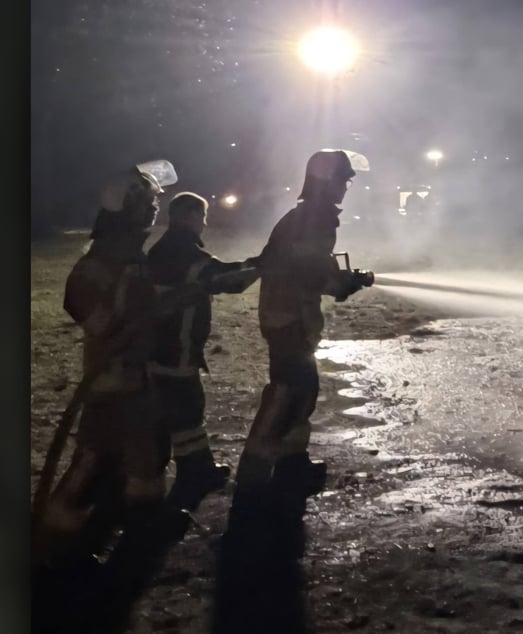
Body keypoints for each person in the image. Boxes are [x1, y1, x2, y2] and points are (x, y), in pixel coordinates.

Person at [33, 166, 168, 577]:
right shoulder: (106, 254)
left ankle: (137, 523)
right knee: (95, 456)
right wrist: (114, 327)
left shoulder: (129, 250)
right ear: (127, 208)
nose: (154, 208)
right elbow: (78, 295)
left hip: (134, 373)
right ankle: (54, 541)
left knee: (143, 449)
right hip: (111, 378)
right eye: (147, 203)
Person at [229, 149, 371, 538]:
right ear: (329, 181)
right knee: (289, 391)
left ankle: (291, 463)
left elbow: (307, 262)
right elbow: (308, 270)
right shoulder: (317, 217)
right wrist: (341, 284)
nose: (346, 187)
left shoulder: (306, 214)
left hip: (287, 314)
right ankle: (255, 474)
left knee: (301, 390)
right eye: (343, 179)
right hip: (288, 316)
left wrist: (339, 279)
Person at [147, 192, 261, 511]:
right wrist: (261, 265)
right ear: (188, 217)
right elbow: (228, 279)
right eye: (202, 215)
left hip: (157, 348)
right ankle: (193, 474)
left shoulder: (162, 249)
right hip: (176, 347)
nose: (205, 222)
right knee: (187, 408)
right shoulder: (185, 254)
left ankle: (194, 469)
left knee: (179, 410)